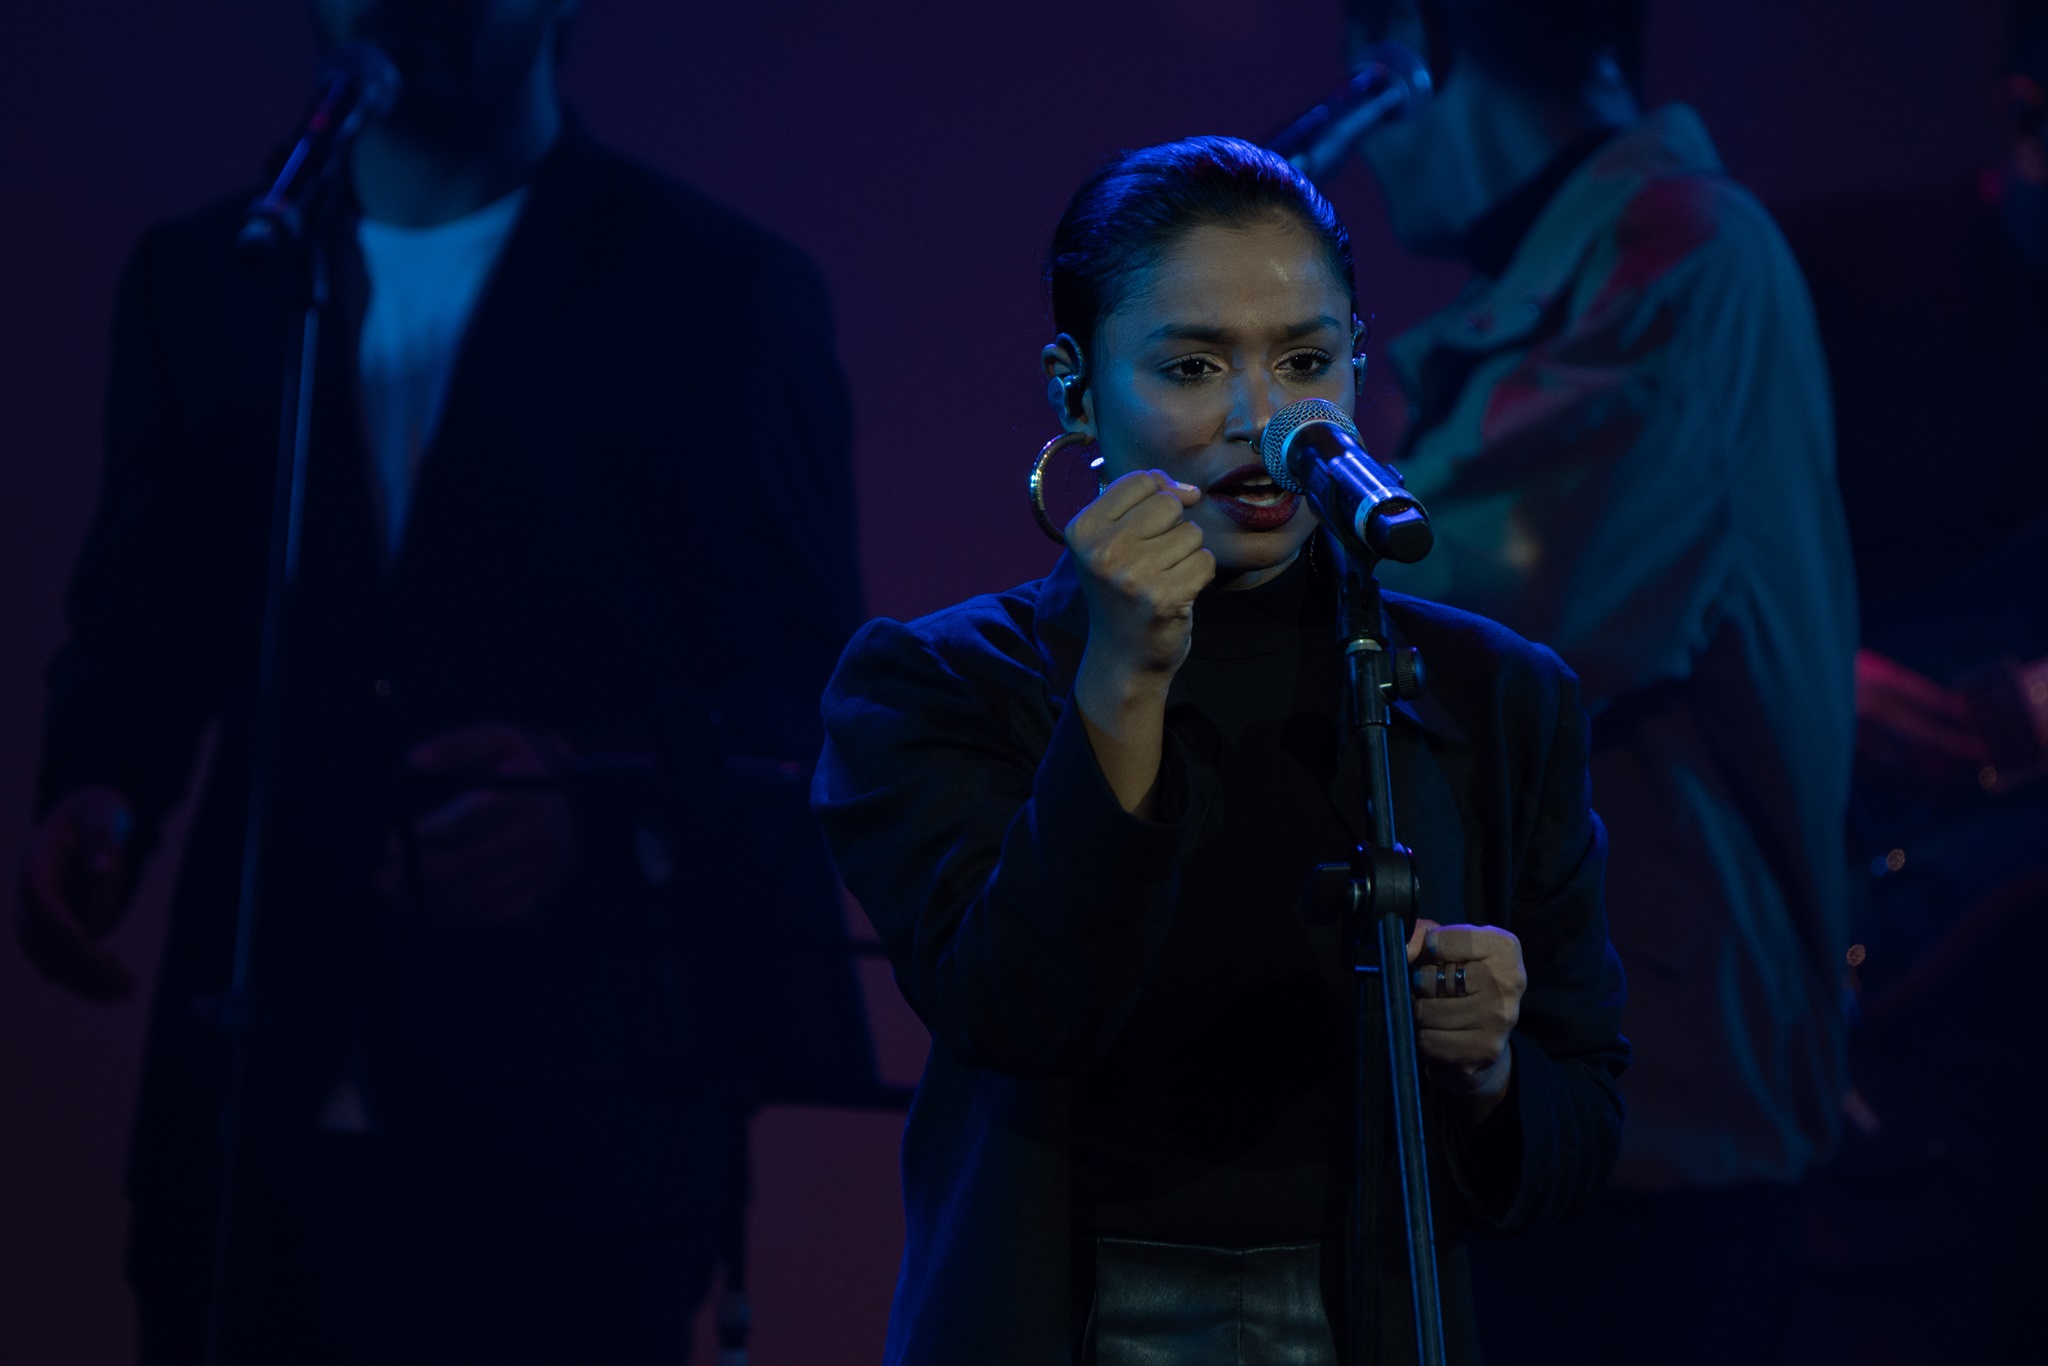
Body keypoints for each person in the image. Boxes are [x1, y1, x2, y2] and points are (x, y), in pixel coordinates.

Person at [14, 1, 872, 1362]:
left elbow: (817, 695)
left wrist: (598, 807)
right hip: (247, 1120)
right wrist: (97, 787)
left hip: (571, 1137)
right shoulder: (207, 281)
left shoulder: (716, 291)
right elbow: (144, 618)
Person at [813, 135, 1627, 1366]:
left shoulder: (1495, 696)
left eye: (1305, 360)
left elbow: (1587, 1131)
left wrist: (1493, 1068)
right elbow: (1019, 1007)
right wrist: (1121, 677)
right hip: (1072, 1322)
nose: (1261, 420)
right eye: (1192, 365)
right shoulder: (935, 686)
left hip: (1375, 1322)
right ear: (1076, 389)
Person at [1341, 2, 1859, 1362]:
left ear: (1423, 59)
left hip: (1651, 1116)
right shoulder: (1607, 269)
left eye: (1366, 79)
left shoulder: (1683, 251)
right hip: (1566, 1094)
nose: (1367, 150)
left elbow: (1501, 612)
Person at [1774, 4, 2048, 1359]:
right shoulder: (1839, 269)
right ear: (2027, 107)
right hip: (1866, 956)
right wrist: (1824, 674)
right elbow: (1671, 558)